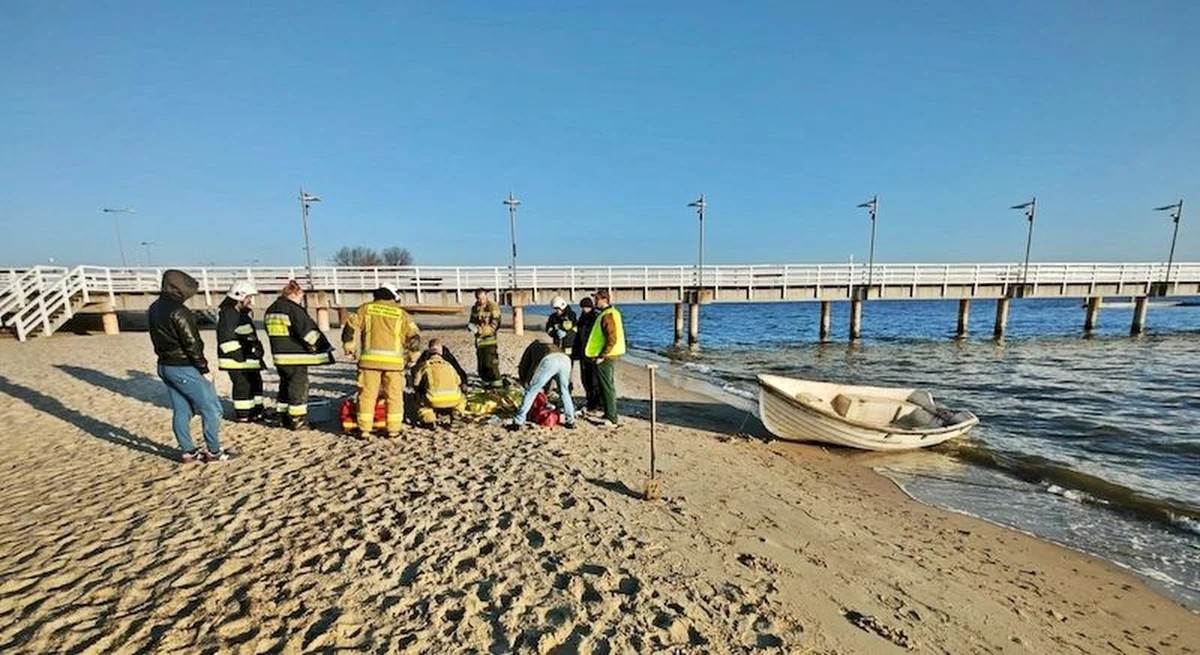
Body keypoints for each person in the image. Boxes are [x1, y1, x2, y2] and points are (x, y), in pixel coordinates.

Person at [148, 269, 229, 462]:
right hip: (184, 366)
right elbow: (192, 343)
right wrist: (204, 369)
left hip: (165, 365)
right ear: (179, 290)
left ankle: (188, 451)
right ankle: (214, 451)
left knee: (182, 410)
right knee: (212, 409)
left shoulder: (154, 307)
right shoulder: (179, 311)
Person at [342, 285, 420, 438]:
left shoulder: (365, 309)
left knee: (366, 395)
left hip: (369, 362)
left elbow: (350, 328)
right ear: (393, 297)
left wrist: (349, 348)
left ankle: (364, 430)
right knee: (395, 397)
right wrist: (413, 357)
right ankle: (393, 430)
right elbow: (414, 337)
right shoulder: (401, 314)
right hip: (394, 364)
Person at [264, 281, 335, 430]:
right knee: (298, 386)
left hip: (279, 355)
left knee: (285, 385)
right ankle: (298, 420)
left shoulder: (271, 309)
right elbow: (307, 331)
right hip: (295, 355)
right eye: (301, 294)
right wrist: (324, 346)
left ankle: (282, 415)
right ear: (294, 293)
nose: (302, 297)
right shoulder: (293, 309)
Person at [216, 281, 267, 423]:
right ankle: (243, 415)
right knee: (243, 387)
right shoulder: (229, 314)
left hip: (247, 360)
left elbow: (247, 335)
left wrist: (256, 351)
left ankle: (257, 411)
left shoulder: (240, 314)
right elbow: (226, 341)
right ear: (239, 297)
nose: (250, 300)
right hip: (237, 361)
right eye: (248, 297)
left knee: (255, 384)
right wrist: (241, 357)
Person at [508, 338, 576, 430]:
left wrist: (525, 382)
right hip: (565, 359)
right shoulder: (547, 345)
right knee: (564, 391)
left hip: (549, 360)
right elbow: (551, 377)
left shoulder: (531, 348)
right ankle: (570, 421)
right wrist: (547, 390)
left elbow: (525, 367)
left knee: (531, 391)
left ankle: (518, 421)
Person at [584, 289, 626, 428]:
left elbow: (612, 338)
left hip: (605, 357)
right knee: (605, 385)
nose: (594, 301)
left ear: (604, 299)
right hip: (607, 355)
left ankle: (612, 419)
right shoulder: (609, 313)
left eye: (597, 299)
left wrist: (602, 355)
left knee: (607, 387)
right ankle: (608, 413)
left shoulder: (608, 315)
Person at [412, 338, 466, 428]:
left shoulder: (425, 364)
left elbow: (416, 383)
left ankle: (429, 419)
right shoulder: (449, 364)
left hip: (433, 399)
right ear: (440, 350)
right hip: (453, 398)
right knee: (462, 399)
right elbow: (459, 380)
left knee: (418, 400)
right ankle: (456, 415)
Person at [573, 297, 602, 415]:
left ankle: (597, 404)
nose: (584, 309)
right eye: (582, 307)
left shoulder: (595, 317)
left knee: (594, 380)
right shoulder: (582, 317)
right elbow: (579, 336)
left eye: (585, 307)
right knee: (585, 379)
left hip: (592, 353)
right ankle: (590, 402)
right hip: (583, 353)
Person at [469, 288, 502, 387]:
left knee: (491, 365)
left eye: (482, 298)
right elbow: (472, 320)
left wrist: (480, 331)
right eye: (479, 299)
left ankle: (497, 385)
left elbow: (495, 325)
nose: (480, 301)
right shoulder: (475, 308)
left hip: (490, 341)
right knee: (481, 366)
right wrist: (471, 326)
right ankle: (486, 384)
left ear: (486, 296)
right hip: (479, 342)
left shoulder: (493, 307)